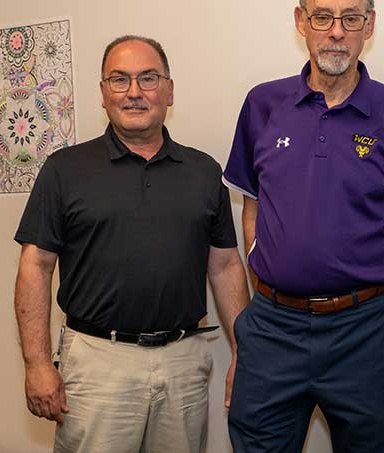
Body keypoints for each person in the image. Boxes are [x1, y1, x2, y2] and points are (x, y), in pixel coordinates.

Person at [223, 0, 384, 453]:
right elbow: (253, 206)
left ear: (370, 25)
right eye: (322, 17)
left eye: (350, 18)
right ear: (301, 22)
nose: (336, 32)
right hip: (274, 327)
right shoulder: (262, 105)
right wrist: (266, 281)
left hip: (370, 330)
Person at [13, 35, 250, 453]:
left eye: (148, 78)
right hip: (96, 362)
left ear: (169, 91)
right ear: (103, 93)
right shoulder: (64, 170)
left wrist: (245, 353)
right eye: (120, 79)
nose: (134, 92)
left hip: (183, 363)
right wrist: (37, 364)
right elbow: (36, 265)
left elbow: (226, 266)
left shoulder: (203, 171)